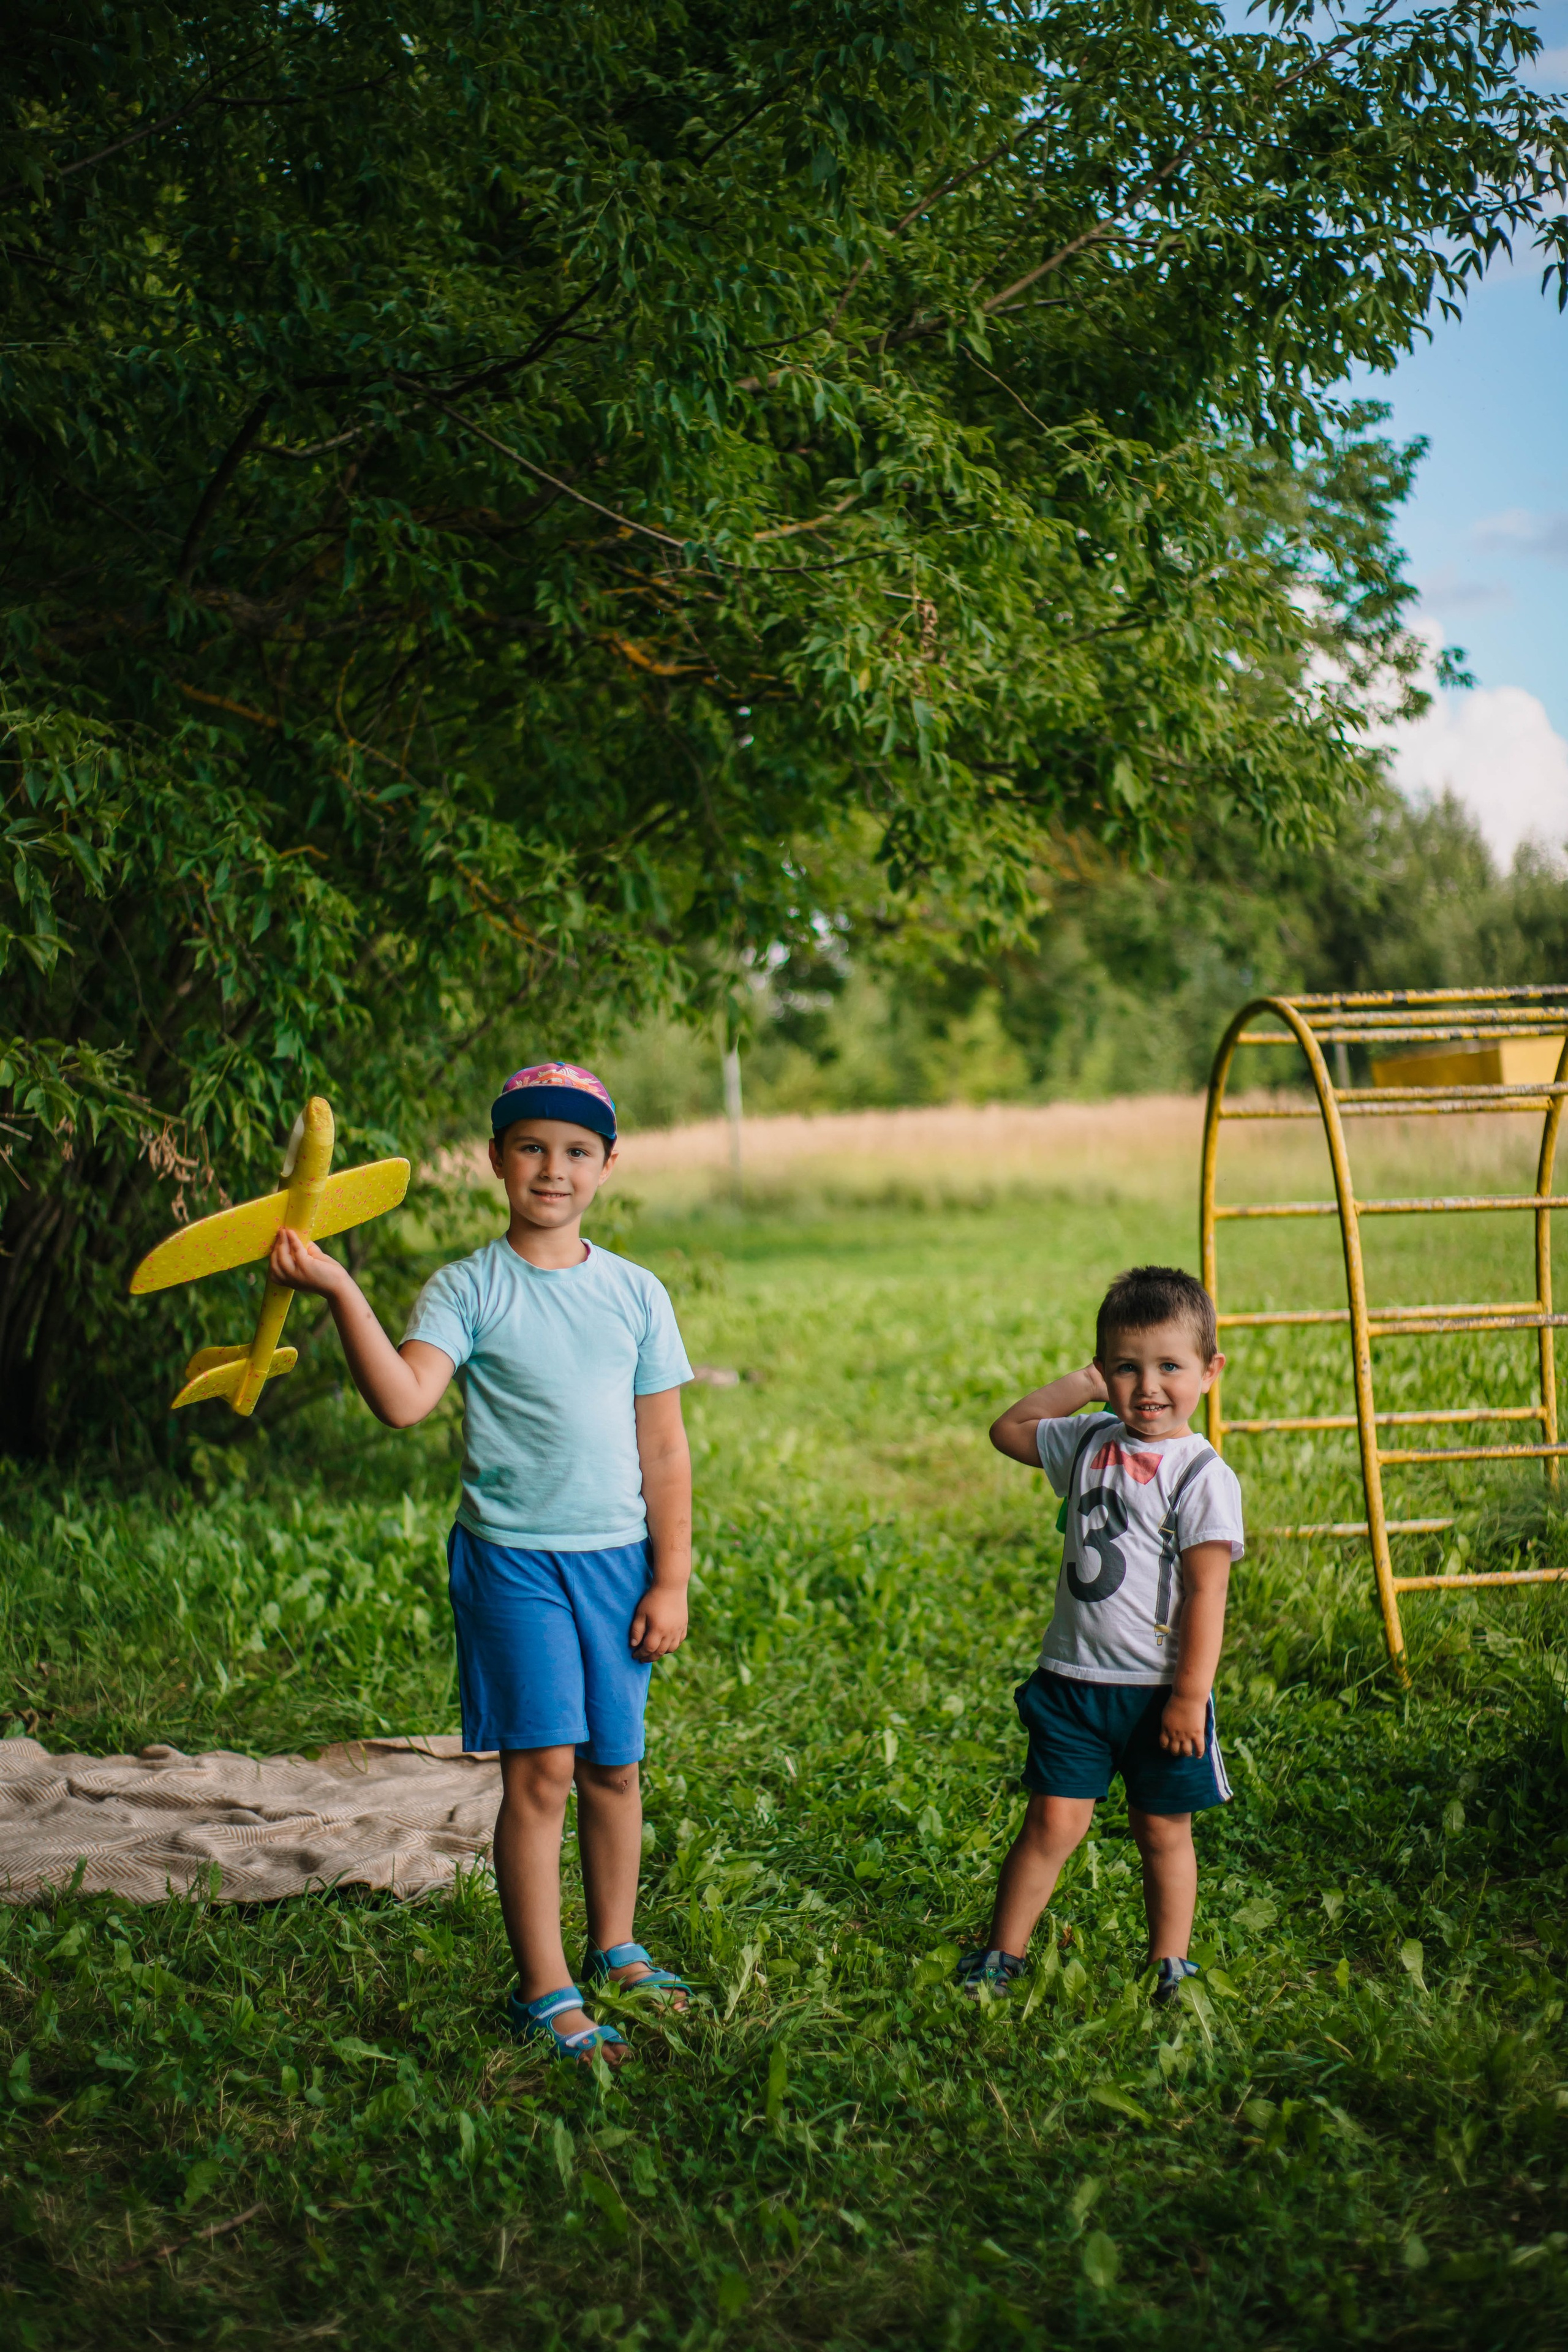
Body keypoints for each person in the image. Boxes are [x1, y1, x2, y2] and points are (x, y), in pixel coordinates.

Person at [268, 1061, 694, 2065]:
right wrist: (338, 1288)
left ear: (607, 1165)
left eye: (577, 1151)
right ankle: (544, 1987)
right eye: (533, 1147)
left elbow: (666, 1451)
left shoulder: (636, 1293)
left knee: (615, 1770)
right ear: (500, 1158)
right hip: (515, 1570)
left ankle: (617, 1945)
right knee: (541, 1771)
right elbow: (404, 1401)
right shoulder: (468, 1287)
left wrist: (670, 1577)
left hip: (618, 1565)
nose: (554, 1168)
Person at [962, 1264, 1244, 2008]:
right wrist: (1082, 1384)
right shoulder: (1086, 1439)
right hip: (1074, 1683)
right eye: (1125, 1367)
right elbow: (1007, 1431)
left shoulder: (1200, 1473)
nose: (1147, 1386)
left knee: (1162, 1831)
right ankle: (1002, 1953)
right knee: (1051, 1821)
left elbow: (1208, 1593)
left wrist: (1190, 1697)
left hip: (1160, 1696)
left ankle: (1168, 1964)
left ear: (1209, 1372)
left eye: (1169, 1367)